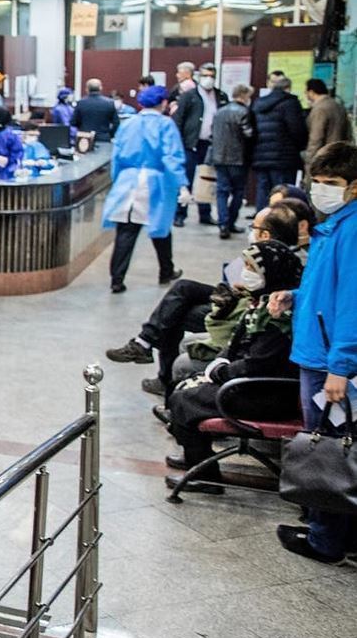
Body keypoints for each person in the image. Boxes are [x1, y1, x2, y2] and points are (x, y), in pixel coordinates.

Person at [269, 141, 357, 563]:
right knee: (335, 444)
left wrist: (341, 365)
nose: (322, 189)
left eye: (332, 182)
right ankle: (339, 534)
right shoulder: (333, 227)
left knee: (330, 450)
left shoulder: (351, 231)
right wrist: (295, 296)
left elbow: (352, 304)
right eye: (317, 181)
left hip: (329, 361)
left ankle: (326, 540)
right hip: (318, 351)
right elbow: (326, 290)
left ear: (354, 186)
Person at [105, 205, 299, 394]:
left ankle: (159, 368)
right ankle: (145, 344)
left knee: (176, 312)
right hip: (239, 296)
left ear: (265, 234)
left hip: (239, 309)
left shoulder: (280, 266)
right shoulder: (266, 255)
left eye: (254, 227)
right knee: (183, 289)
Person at [162, 240, 304, 493]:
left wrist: (220, 373)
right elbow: (237, 344)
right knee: (181, 385)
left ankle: (205, 476)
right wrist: (220, 361)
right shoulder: (260, 303)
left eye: (251, 267)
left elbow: (259, 364)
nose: (245, 272)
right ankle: (197, 454)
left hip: (268, 394)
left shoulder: (278, 315)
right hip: (250, 384)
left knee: (184, 400)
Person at [103, 85, 186, 293]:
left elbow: (117, 157)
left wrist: (117, 181)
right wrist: (182, 185)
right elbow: (171, 157)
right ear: (163, 103)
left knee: (126, 231)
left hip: (127, 182)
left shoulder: (128, 124)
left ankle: (116, 279)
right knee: (161, 228)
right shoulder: (166, 125)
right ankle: (166, 271)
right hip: (156, 183)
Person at [171, 63, 226, 227]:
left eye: (211, 76)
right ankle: (180, 214)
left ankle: (205, 213)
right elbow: (179, 119)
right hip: (190, 143)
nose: (208, 79)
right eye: (205, 75)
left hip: (210, 144)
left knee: (206, 178)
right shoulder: (190, 96)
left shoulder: (220, 96)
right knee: (185, 179)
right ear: (199, 76)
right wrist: (179, 142)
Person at [249, 74, 308, 209]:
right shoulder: (290, 103)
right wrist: (301, 146)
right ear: (288, 88)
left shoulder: (258, 103)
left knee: (263, 189)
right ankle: (279, 218)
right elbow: (297, 130)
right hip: (284, 156)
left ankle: (262, 217)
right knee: (283, 192)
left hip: (261, 155)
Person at [209, 83, 255, 239]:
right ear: (244, 95)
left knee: (222, 192)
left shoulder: (219, 112)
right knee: (238, 191)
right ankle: (230, 222)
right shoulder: (244, 112)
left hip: (219, 157)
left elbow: (212, 133)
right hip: (238, 159)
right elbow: (248, 134)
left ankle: (222, 223)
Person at [304, 79, 352, 171]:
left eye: (306, 92)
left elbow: (316, 139)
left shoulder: (320, 109)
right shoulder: (337, 105)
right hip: (339, 156)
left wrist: (310, 163)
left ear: (311, 92)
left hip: (324, 159)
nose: (306, 95)